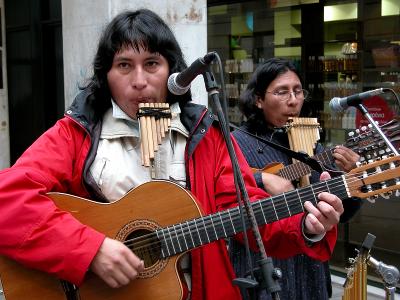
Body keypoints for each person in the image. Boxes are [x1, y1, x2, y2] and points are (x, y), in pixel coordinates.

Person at [0, 10, 344, 300]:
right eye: (124, 65)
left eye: (152, 63)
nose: (139, 81)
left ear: (173, 72)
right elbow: (8, 200)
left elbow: (244, 211)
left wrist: (305, 225)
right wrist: (88, 251)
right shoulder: (76, 133)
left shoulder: (206, 135)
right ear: (106, 74)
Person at [231, 57, 361, 299]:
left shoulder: (311, 145)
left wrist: (351, 177)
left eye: (298, 91)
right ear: (259, 100)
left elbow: (343, 215)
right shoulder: (237, 142)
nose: (293, 100)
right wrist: (262, 180)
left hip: (310, 271)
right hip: (265, 273)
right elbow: (224, 193)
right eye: (282, 92)